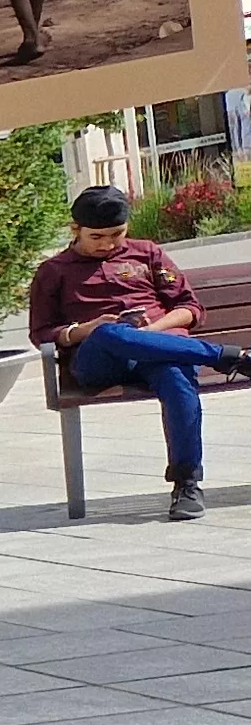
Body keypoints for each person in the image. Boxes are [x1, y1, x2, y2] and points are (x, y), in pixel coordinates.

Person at [32, 185, 251, 520]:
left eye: (117, 234)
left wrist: (150, 332)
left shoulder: (147, 253)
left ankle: (187, 484)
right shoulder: (54, 270)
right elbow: (42, 332)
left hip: (158, 347)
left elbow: (190, 308)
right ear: (75, 229)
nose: (108, 244)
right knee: (109, 333)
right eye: (96, 237)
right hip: (98, 360)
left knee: (178, 382)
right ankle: (229, 357)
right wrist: (87, 329)